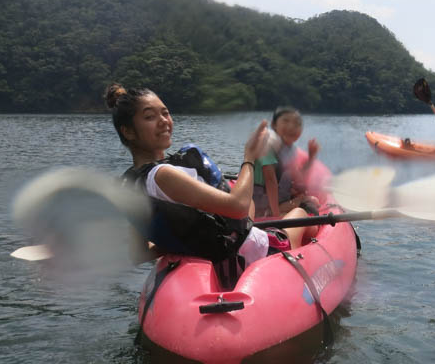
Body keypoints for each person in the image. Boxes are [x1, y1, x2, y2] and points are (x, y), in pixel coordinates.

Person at [105, 84, 315, 274]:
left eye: (165, 113)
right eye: (150, 117)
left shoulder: (130, 185)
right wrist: (249, 157)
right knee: (301, 213)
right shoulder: (164, 175)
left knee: (250, 204)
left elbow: (138, 254)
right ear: (128, 132)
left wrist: (184, 243)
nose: (163, 121)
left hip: (221, 254)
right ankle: (311, 247)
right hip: (255, 254)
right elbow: (238, 207)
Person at [252, 107, 320, 217]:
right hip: (258, 198)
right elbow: (270, 180)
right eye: (286, 121)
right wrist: (276, 215)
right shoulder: (267, 143)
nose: (291, 126)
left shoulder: (289, 149)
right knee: (308, 203)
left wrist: (311, 156)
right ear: (274, 125)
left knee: (314, 200)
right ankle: (268, 213)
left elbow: (299, 177)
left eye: (297, 123)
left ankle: (279, 209)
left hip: (276, 197)